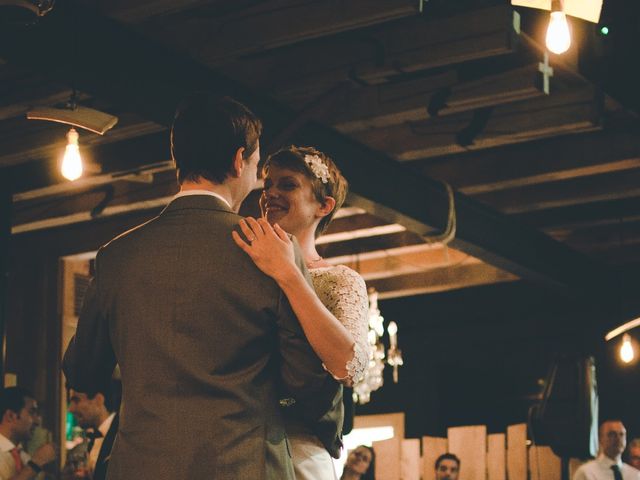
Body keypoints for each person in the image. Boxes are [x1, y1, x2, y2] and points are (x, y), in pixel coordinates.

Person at [62, 94, 340, 480]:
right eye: (256, 166)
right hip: (244, 466)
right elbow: (304, 379)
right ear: (239, 160)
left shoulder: (116, 256)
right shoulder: (269, 249)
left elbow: (82, 373)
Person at [233, 145, 370, 479]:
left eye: (288, 185)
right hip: (235, 442)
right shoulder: (238, 272)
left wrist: (289, 273)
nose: (271, 194)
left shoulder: (339, 280)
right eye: (267, 186)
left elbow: (350, 366)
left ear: (323, 206)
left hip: (301, 446)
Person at [63, 381, 121, 480]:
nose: (70, 409)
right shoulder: (94, 436)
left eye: (76, 400)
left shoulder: (122, 434)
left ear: (99, 400)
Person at [0, 387, 56, 480]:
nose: (37, 421)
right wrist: (36, 462)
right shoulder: (32, 463)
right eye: (32, 412)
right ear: (10, 416)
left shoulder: (24, 457)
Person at [573, 420, 640, 480]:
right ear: (600, 438)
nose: (618, 438)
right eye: (612, 434)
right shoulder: (586, 472)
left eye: (621, 434)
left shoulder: (635, 475)